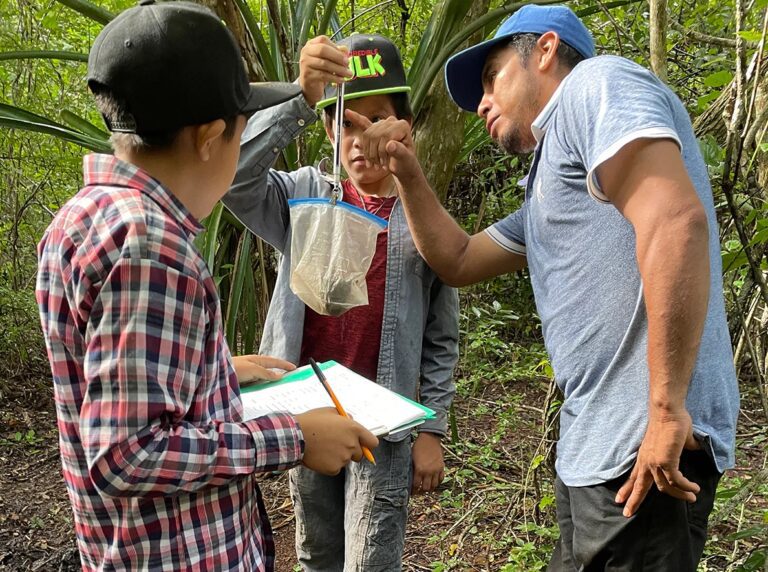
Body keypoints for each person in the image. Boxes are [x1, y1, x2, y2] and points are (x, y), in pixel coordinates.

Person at [342, 5, 740, 571]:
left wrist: (667, 409)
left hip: (642, 452)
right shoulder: (549, 186)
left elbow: (676, 221)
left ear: (546, 52)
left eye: (491, 77)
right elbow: (457, 257)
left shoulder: (595, 85)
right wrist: (407, 169)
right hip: (596, 455)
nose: (481, 102)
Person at [35, 3, 378, 570]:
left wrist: (213, 368)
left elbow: (108, 378)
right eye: (241, 128)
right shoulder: (153, 247)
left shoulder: (83, 216)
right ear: (211, 137)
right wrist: (292, 438)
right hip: (182, 553)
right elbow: (125, 455)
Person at [223, 33, 459, 571]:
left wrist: (432, 430)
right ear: (329, 130)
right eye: (344, 123)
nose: (358, 140)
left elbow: (442, 337)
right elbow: (234, 179)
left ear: (404, 127)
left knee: (371, 557)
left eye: (374, 120)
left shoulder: (423, 218)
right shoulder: (304, 195)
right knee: (317, 552)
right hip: (305, 412)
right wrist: (300, 100)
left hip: (384, 425)